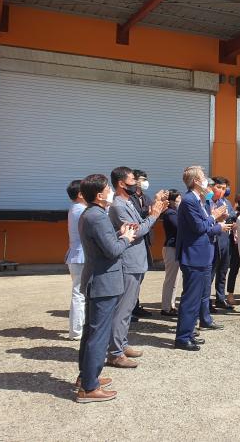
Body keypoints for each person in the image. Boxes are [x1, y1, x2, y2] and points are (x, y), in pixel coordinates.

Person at [76, 173, 136, 403]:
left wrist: (118, 234)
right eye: (108, 188)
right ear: (99, 195)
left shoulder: (91, 214)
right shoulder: (98, 217)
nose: (111, 191)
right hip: (104, 282)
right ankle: (89, 387)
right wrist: (126, 238)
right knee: (98, 336)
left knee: (91, 332)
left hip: (98, 280)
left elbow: (104, 243)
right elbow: (112, 251)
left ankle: (86, 377)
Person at [106, 166, 167, 368]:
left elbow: (140, 221)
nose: (136, 183)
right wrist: (154, 215)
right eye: (133, 180)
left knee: (128, 307)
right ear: (121, 183)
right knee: (123, 309)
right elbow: (138, 230)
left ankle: (121, 344)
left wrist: (154, 209)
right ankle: (115, 352)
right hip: (129, 262)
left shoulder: (127, 202)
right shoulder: (118, 205)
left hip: (137, 260)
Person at [174, 166, 231, 351]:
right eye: (203, 177)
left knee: (197, 297)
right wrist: (215, 219)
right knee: (190, 299)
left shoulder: (199, 199)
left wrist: (216, 221)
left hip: (203, 255)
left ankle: (189, 333)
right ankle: (183, 338)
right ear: (196, 181)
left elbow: (205, 225)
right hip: (194, 256)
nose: (206, 180)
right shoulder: (189, 200)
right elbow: (199, 227)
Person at [207, 176, 236, 312]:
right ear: (212, 187)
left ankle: (220, 298)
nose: (221, 191)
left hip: (225, 241)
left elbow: (232, 216)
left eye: (224, 188)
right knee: (210, 274)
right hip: (212, 242)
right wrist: (217, 218)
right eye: (219, 187)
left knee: (223, 272)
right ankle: (206, 302)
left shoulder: (226, 202)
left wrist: (230, 219)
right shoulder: (206, 202)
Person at [64, 179, 87, 341]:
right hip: (81, 256)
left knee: (79, 294)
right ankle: (77, 330)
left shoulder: (75, 208)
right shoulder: (81, 210)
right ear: (80, 194)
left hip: (76, 255)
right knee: (79, 294)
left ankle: (78, 329)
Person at [131, 169, 154, 319]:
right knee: (133, 276)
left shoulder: (146, 197)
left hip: (145, 238)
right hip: (134, 239)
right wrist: (149, 213)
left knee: (141, 274)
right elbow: (137, 216)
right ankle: (129, 307)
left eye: (146, 179)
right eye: (142, 179)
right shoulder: (129, 197)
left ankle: (135, 304)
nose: (145, 182)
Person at [160, 189, 181, 316]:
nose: (180, 202)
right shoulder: (170, 213)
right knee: (170, 279)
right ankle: (166, 307)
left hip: (176, 248)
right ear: (171, 201)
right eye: (178, 199)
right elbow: (179, 227)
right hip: (170, 248)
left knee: (175, 280)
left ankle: (171, 305)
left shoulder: (175, 212)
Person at [225, 185, 240, 307]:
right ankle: (230, 294)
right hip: (235, 247)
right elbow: (228, 226)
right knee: (234, 271)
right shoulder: (234, 214)